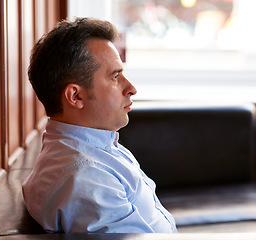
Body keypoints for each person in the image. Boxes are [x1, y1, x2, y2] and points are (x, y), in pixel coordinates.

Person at [22, 17, 177, 233]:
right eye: (115, 77)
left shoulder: (95, 147)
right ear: (75, 96)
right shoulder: (86, 178)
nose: (131, 88)